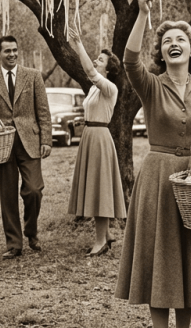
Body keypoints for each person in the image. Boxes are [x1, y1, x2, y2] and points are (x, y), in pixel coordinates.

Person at [114, 0, 191, 328]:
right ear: (161, 53)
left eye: (180, 40)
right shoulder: (151, 85)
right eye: (166, 42)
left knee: (189, 254)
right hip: (158, 177)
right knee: (158, 255)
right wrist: (143, 13)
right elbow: (129, 59)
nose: (173, 44)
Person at [0, 35, 52, 259]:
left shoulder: (33, 76)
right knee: (7, 195)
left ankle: (31, 231)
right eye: (7, 51)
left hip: (30, 142)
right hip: (3, 145)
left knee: (34, 190)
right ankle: (14, 244)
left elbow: (43, 111)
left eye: (14, 50)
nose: (11, 54)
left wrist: (46, 140)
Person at [66, 24, 126, 257]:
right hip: (90, 136)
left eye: (100, 60)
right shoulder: (94, 90)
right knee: (95, 187)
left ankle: (100, 240)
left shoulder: (109, 87)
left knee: (100, 189)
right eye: (97, 58)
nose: (96, 61)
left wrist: (78, 44)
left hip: (100, 137)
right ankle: (107, 234)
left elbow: (90, 72)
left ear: (109, 69)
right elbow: (90, 74)